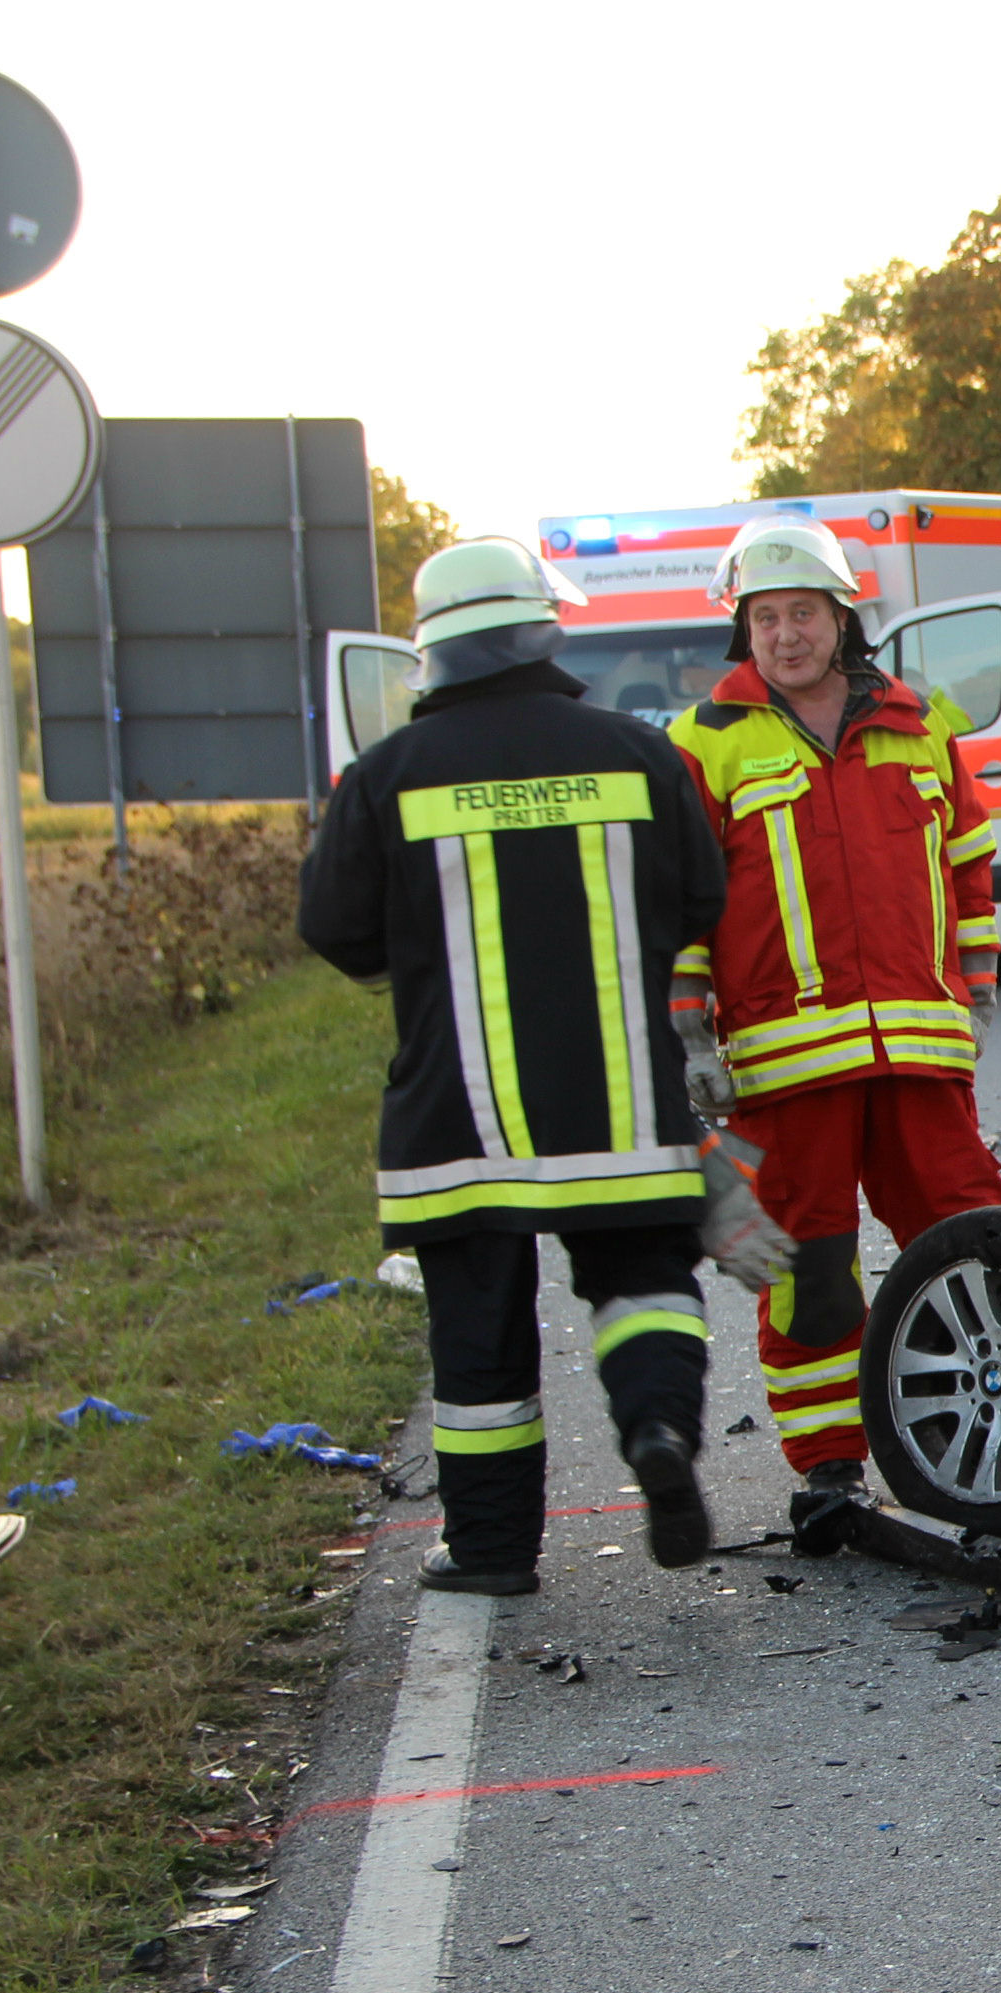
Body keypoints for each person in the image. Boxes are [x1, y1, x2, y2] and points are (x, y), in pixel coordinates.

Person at [299, 539, 730, 1595]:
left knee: (477, 1343)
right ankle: (659, 1432)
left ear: (432, 654)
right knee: (645, 1288)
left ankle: (492, 1553)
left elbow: (335, 929)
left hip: (459, 1120)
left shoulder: (385, 774)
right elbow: (700, 901)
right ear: (545, 627)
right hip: (623, 1104)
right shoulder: (639, 752)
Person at [666, 516, 1001, 1519]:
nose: (786, 635)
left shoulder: (922, 722)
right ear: (743, 630)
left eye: (802, 613)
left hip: (918, 1047)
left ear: (840, 618)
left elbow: (969, 862)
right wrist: (690, 1026)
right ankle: (830, 1467)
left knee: (971, 1240)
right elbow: (681, 901)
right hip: (783, 1062)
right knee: (808, 1265)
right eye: (765, 617)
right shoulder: (704, 743)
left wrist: (974, 985)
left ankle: (973, 1430)